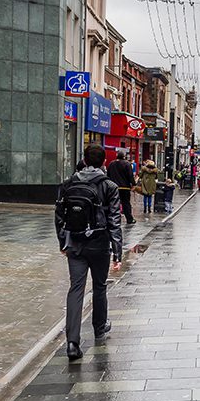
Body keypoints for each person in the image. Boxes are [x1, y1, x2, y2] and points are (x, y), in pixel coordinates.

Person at [55, 143, 123, 360]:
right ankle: (99, 327)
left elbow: (59, 216)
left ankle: (72, 343)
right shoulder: (109, 186)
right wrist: (117, 253)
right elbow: (114, 220)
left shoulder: (68, 183)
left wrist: (62, 243)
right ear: (104, 162)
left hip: (75, 243)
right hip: (99, 243)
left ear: (84, 160)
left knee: (76, 289)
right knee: (99, 287)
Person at [106, 150, 136, 225]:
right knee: (126, 203)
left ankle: (113, 219)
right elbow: (130, 175)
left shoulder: (111, 164)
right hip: (125, 187)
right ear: (124, 156)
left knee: (114, 203)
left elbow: (108, 175)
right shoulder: (127, 164)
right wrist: (133, 184)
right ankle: (129, 219)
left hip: (114, 187)